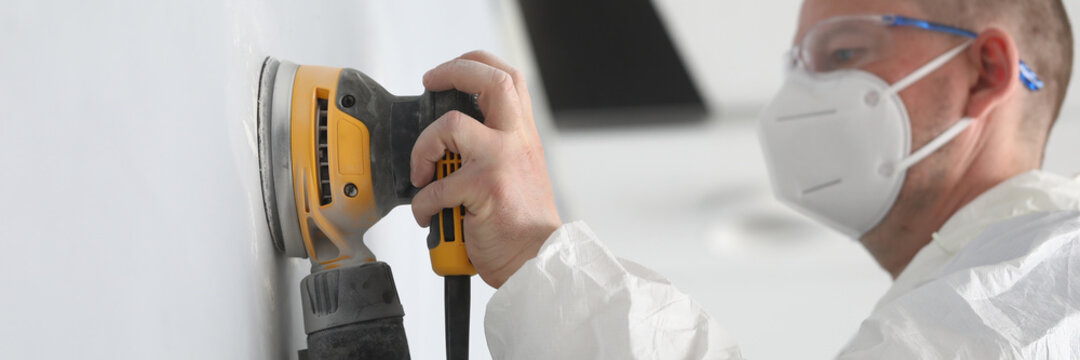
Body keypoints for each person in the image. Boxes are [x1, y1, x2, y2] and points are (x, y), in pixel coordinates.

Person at [408, 0, 1080, 358]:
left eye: (843, 53)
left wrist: (535, 249)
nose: (802, 100)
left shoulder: (1045, 287)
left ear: (988, 71)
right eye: (800, 69)